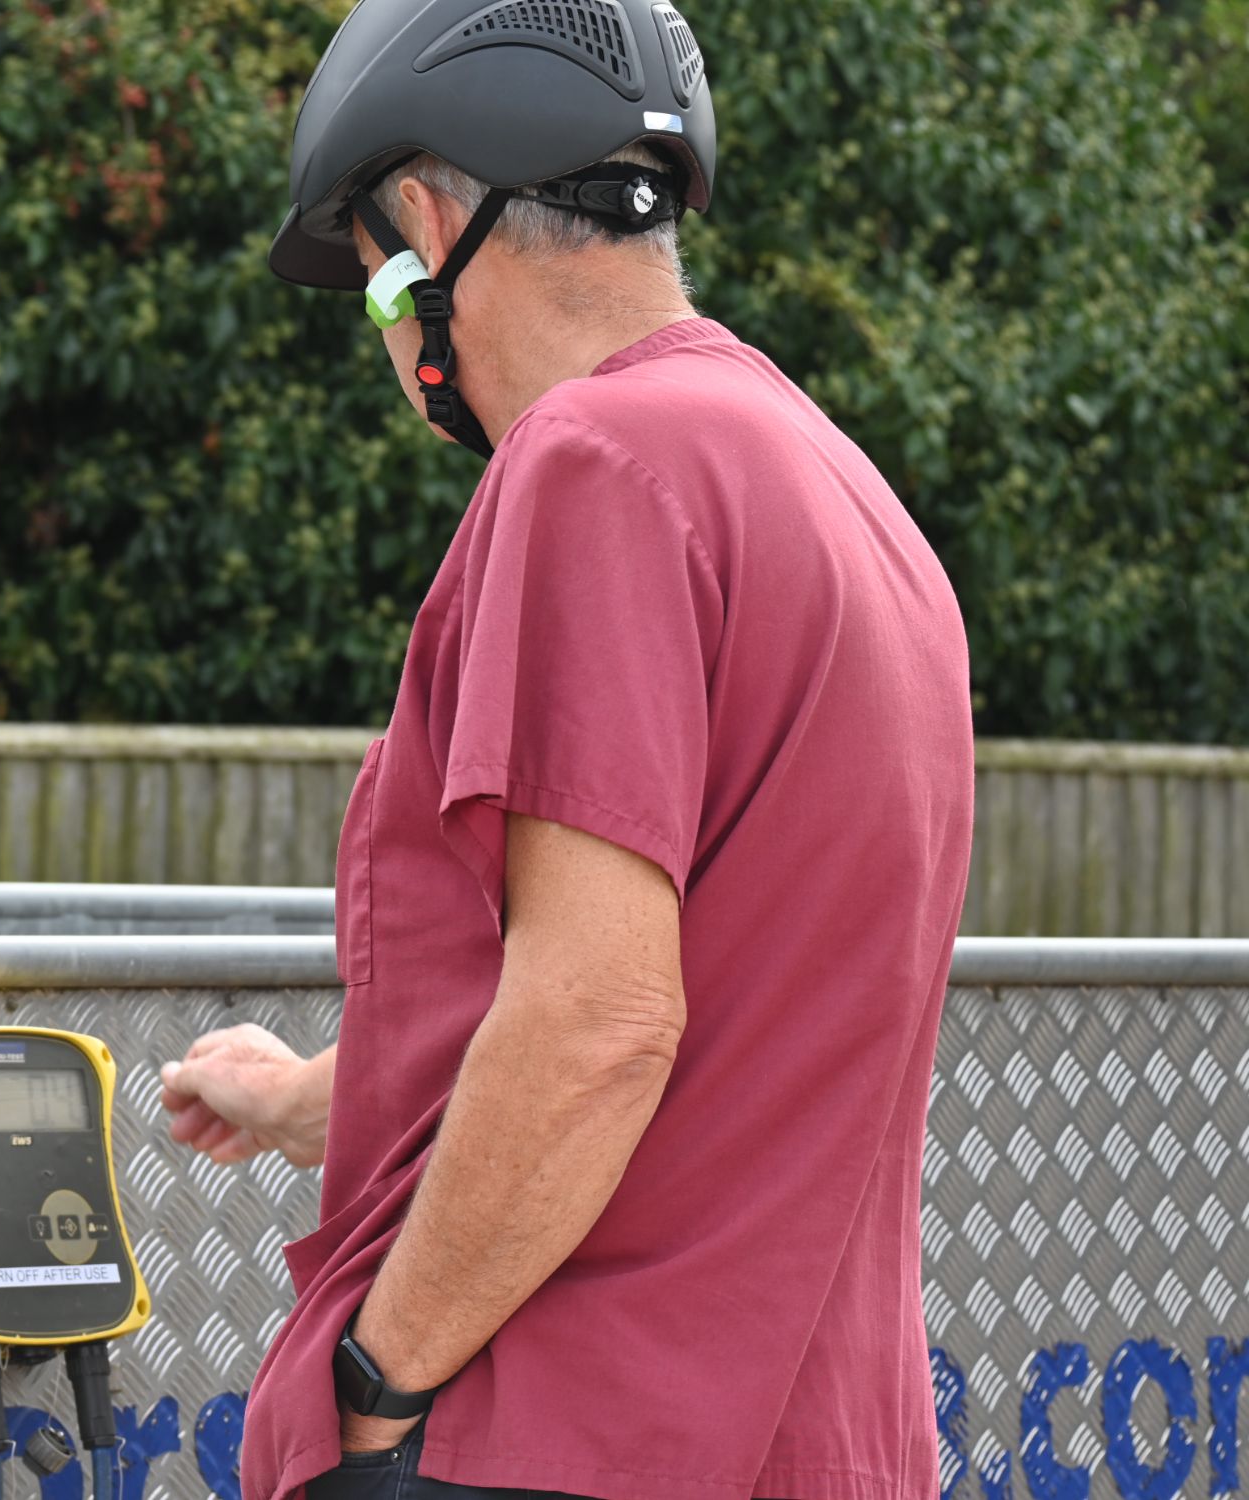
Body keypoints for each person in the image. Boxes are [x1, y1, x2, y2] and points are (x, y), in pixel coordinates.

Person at [158, 3, 975, 1500]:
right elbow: (740, 1003)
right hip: (816, 1438)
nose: (387, 335)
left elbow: (598, 1026)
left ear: (418, 223)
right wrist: (307, 1099)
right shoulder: (835, 489)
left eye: (367, 284)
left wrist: (380, 1387)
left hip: (572, 1428)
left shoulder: (596, 465)